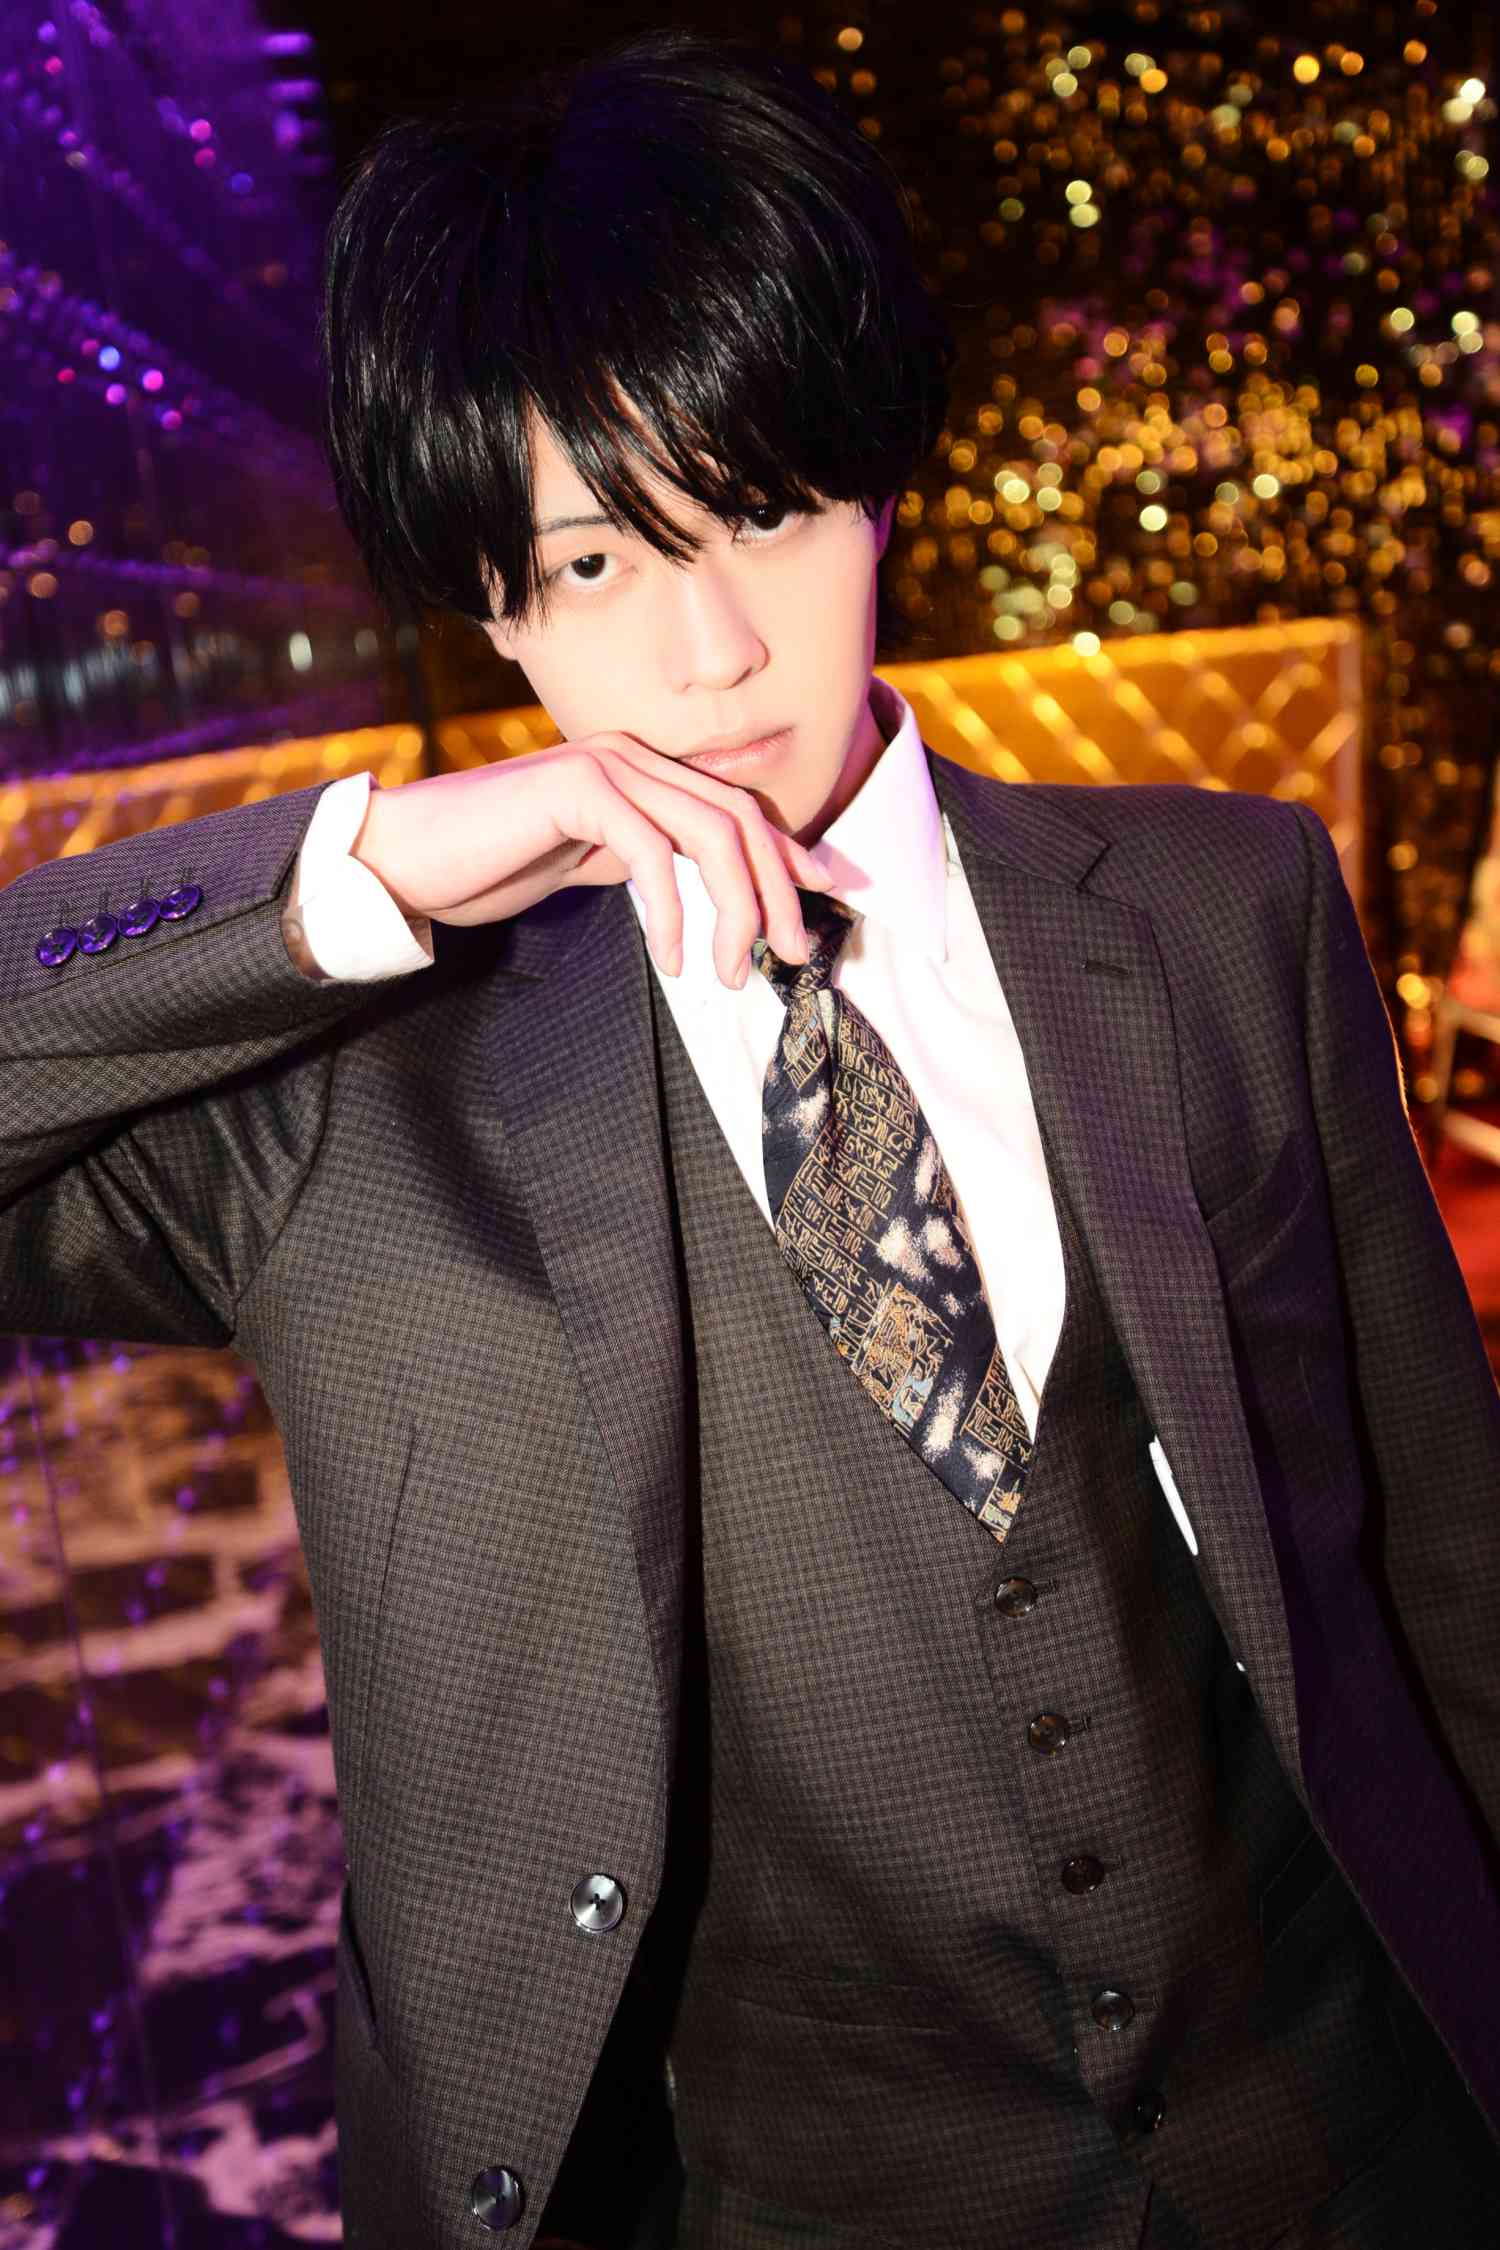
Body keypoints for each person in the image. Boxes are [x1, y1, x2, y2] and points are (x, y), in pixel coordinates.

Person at [3, 26, 1498, 2250]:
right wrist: (370, 867)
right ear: (492, 600)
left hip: (1340, 2148)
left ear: (877, 484)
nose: (711, 653)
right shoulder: (345, 1088)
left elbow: (1444, 1559)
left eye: (766, 513)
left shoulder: (1222, 909)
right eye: (597, 562)